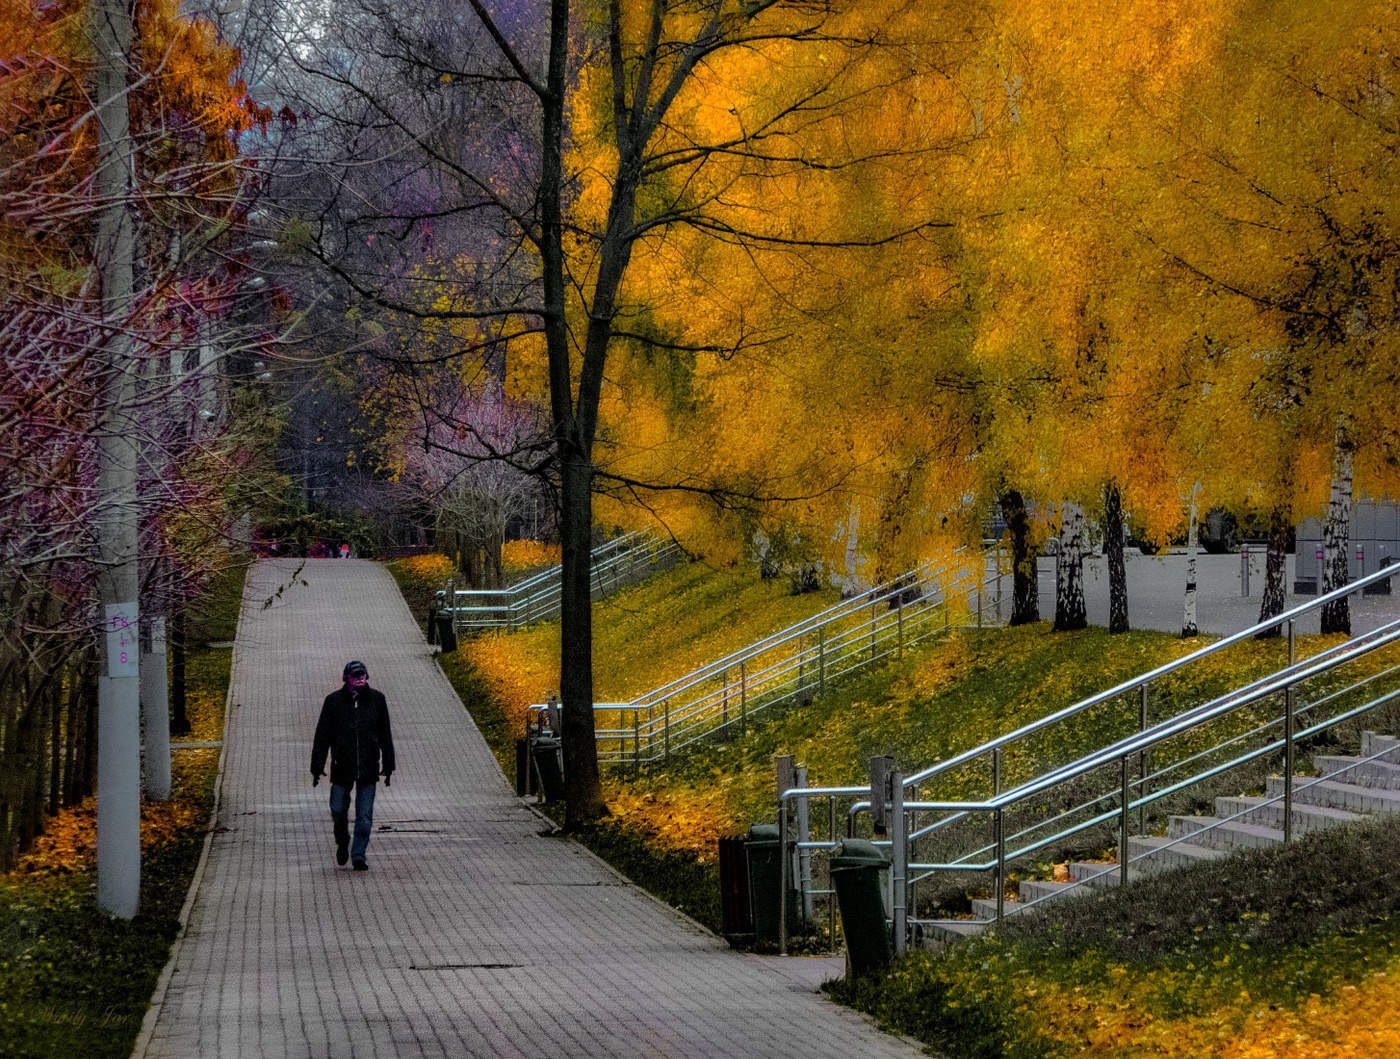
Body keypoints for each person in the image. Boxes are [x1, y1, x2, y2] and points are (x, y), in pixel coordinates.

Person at [311, 660, 395, 871]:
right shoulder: (333, 702)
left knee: (364, 816)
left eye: (363, 674)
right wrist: (316, 765)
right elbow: (322, 736)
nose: (360, 678)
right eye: (355, 675)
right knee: (338, 810)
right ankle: (342, 840)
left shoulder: (377, 700)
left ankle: (358, 855)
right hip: (342, 767)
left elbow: (385, 734)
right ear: (346, 678)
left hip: (368, 767)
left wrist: (389, 764)